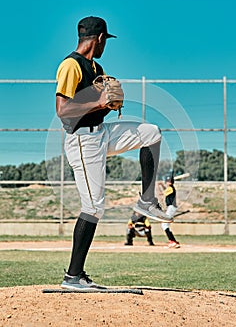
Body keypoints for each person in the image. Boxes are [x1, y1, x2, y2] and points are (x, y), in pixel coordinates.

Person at [55, 16, 172, 291]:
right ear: (98, 39)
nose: (105, 44)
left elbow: (97, 105)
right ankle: (73, 277)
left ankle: (146, 202)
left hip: (102, 132)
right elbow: (62, 111)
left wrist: (108, 106)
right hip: (82, 141)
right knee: (94, 206)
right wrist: (98, 100)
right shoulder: (71, 65)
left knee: (151, 132)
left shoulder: (97, 67)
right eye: (105, 40)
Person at [158, 171, 180, 248]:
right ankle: (173, 241)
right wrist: (161, 185)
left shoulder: (171, 188)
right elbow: (165, 190)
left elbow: (162, 193)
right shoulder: (170, 188)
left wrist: (160, 186)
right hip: (170, 207)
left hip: (171, 207)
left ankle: (173, 241)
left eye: (168, 181)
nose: (167, 183)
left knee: (164, 224)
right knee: (165, 224)